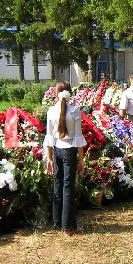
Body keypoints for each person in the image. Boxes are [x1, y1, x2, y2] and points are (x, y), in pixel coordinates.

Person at [43, 81, 87, 236]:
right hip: (69, 152)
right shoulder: (74, 111)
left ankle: (57, 222)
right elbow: (78, 138)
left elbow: (49, 137)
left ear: (56, 94)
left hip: (56, 151)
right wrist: (81, 160)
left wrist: (49, 159)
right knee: (69, 187)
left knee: (58, 184)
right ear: (70, 93)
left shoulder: (50, 111)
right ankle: (68, 226)